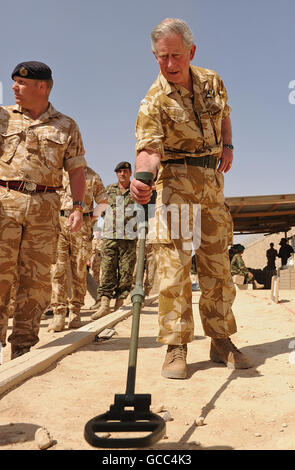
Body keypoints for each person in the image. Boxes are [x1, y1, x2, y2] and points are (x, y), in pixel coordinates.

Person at [130, 18, 252, 379]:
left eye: (176, 55)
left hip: (212, 189)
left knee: (218, 269)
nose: (169, 64)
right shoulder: (153, 101)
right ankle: (176, 346)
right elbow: (149, 149)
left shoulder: (212, 81)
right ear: (155, 56)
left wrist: (227, 145)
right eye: (162, 57)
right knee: (175, 273)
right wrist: (143, 178)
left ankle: (221, 340)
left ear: (191, 52)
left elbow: (225, 116)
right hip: (176, 189)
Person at [0, 61, 86, 359]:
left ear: (42, 87)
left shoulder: (66, 125)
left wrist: (77, 206)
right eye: (13, 82)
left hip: (45, 208)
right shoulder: (3, 117)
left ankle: (23, 344)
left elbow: (76, 170)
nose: (14, 87)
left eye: (20, 83)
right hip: (5, 202)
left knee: (35, 279)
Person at [48, 167, 107, 332]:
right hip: (58, 222)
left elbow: (103, 201)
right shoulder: (57, 173)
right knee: (57, 269)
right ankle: (59, 313)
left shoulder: (92, 176)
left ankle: (75, 312)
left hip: (82, 223)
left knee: (79, 269)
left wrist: (90, 219)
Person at [90, 162, 137, 319]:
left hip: (129, 239)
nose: (122, 174)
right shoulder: (109, 190)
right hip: (110, 237)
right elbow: (101, 209)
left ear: (130, 173)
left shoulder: (136, 191)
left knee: (126, 273)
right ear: (116, 174)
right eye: (119, 171)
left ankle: (119, 305)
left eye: (125, 171)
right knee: (107, 270)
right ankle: (104, 304)